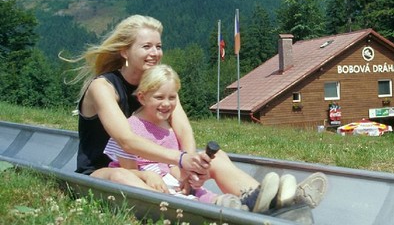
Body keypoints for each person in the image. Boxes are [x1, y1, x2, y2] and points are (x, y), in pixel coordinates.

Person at [61, 14, 327, 213]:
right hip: (106, 170)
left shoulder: (157, 85)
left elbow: (183, 128)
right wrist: (180, 159)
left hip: (160, 167)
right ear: (124, 51)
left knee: (215, 157)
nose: (155, 53)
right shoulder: (104, 87)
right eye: (146, 47)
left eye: (158, 46)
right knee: (123, 176)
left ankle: (262, 199)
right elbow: (127, 141)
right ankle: (185, 210)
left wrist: (190, 166)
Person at [103, 64, 245, 209]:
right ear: (142, 98)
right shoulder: (130, 128)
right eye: (159, 97)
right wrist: (147, 176)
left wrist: (185, 176)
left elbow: (172, 165)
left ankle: (227, 201)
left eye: (172, 97)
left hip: (171, 183)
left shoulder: (169, 127)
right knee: (125, 179)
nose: (166, 104)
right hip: (146, 184)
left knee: (200, 190)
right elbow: (128, 170)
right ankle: (180, 205)